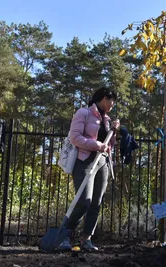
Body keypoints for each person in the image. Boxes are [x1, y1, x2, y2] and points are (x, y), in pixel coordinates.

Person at [58, 87, 120, 252]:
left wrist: (113, 132)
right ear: (104, 98)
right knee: (84, 201)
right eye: (112, 100)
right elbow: (75, 137)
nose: (113, 104)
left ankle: (86, 239)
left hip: (103, 163)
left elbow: (109, 145)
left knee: (96, 203)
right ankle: (63, 236)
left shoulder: (107, 119)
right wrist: (97, 145)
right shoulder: (83, 113)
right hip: (84, 161)